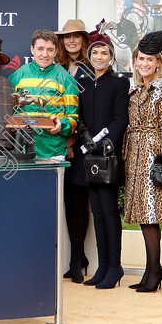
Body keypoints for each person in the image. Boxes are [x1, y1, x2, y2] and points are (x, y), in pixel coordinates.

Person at [123, 29, 162, 293]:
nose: (144, 63)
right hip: (135, 155)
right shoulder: (134, 88)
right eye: (140, 59)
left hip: (153, 155)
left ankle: (154, 271)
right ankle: (152, 269)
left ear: (158, 62)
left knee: (151, 214)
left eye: (149, 59)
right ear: (134, 61)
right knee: (144, 216)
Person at [73, 24, 129, 289]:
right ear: (90, 55)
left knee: (109, 212)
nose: (99, 57)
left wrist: (106, 142)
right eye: (95, 53)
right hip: (88, 155)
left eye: (104, 53)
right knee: (96, 210)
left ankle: (114, 267)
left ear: (111, 56)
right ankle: (102, 267)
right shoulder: (82, 82)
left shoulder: (119, 82)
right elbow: (79, 115)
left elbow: (121, 120)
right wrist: (83, 133)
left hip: (107, 156)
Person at [55, 19, 92, 282]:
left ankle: (78, 258)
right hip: (59, 142)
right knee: (68, 203)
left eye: (76, 36)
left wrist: (73, 140)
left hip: (81, 144)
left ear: (83, 40)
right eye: (66, 37)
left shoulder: (91, 68)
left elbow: (87, 109)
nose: (71, 41)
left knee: (80, 203)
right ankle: (76, 258)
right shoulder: (55, 69)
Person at [8, 29, 80, 160]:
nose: (45, 54)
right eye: (40, 49)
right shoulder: (17, 76)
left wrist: (61, 124)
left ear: (56, 51)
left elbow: (73, 118)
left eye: (50, 50)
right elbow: (9, 110)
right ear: (32, 49)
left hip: (53, 151)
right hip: (22, 150)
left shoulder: (66, 79)